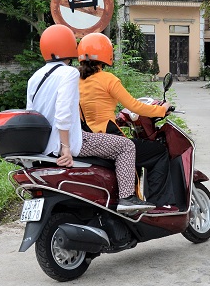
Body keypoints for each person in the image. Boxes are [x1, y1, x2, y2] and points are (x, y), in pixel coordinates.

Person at [27, 25, 152, 212]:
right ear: (70, 46)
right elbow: (63, 114)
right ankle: (127, 198)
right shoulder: (70, 73)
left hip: (43, 145)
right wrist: (66, 148)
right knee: (126, 146)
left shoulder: (35, 77)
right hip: (71, 141)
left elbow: (32, 114)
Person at [77, 32, 176, 207]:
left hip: (89, 138)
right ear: (106, 55)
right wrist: (161, 109)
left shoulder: (78, 81)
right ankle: (160, 204)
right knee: (159, 151)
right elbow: (134, 106)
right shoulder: (108, 80)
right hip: (109, 135)